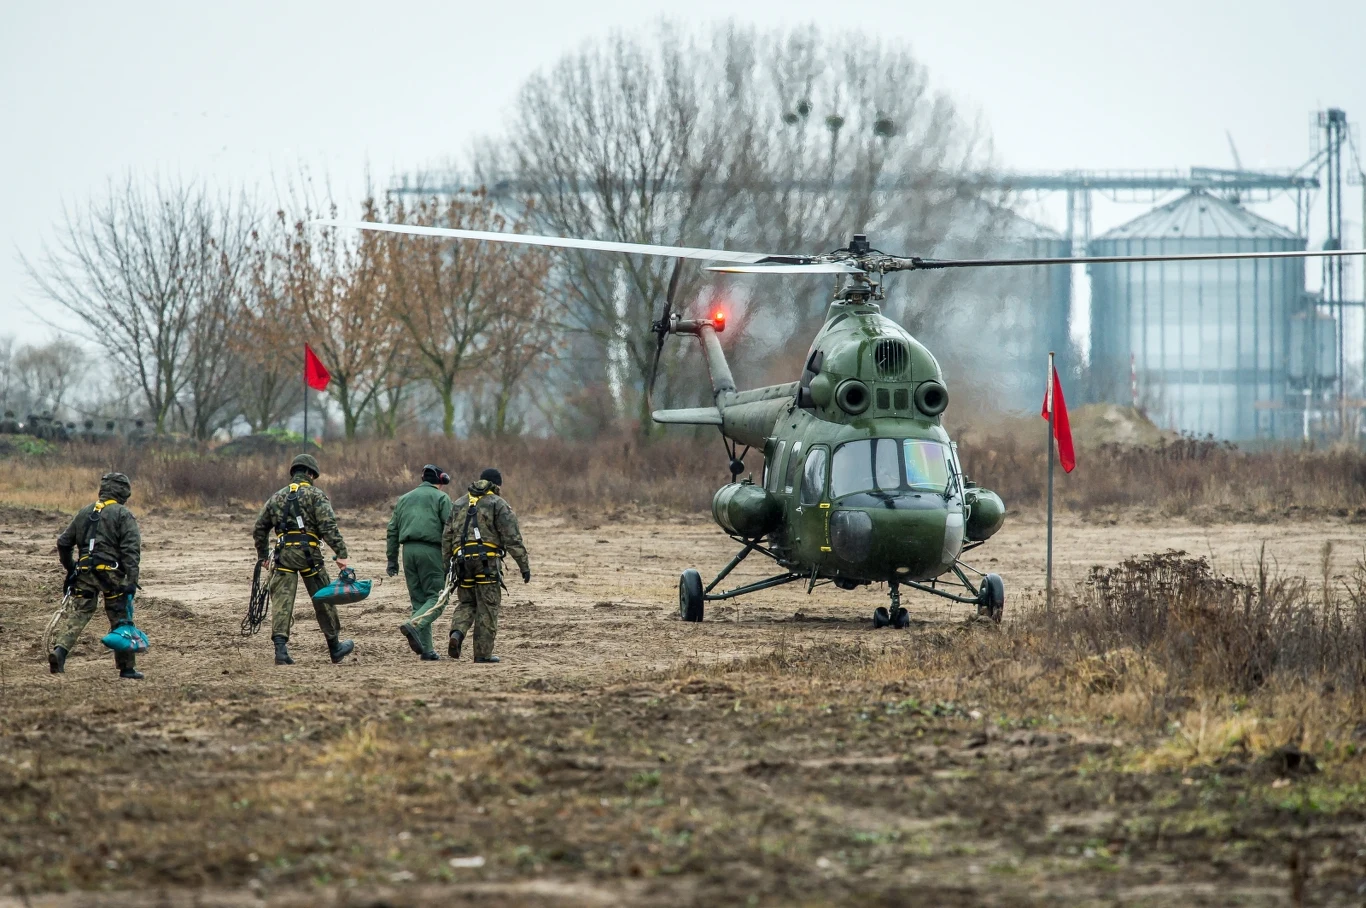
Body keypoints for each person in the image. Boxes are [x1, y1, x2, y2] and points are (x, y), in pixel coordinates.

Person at [402, 468, 530, 664]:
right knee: (487, 607)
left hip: (461, 562)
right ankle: (482, 654)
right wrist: (524, 566)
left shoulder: (460, 502)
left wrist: (447, 565)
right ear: (496, 485)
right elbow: (512, 537)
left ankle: (457, 635)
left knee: (467, 603)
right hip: (486, 563)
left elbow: (447, 536)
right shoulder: (498, 503)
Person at [251, 453, 356, 666]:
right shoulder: (316, 495)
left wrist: (263, 556)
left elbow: (259, 528)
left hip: (283, 557)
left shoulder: (276, 497)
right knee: (324, 597)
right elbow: (328, 526)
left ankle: (281, 651)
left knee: (282, 602)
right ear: (310, 473)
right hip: (310, 557)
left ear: (294, 473)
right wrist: (341, 554)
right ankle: (335, 647)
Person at [51, 472, 144, 679]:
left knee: (79, 613)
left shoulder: (84, 512)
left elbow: (63, 543)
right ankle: (126, 668)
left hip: (85, 573)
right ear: (124, 492)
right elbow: (131, 551)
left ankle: (60, 651)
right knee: (121, 618)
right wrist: (132, 580)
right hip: (112, 577)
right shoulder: (122, 514)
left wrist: (71, 568)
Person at [388, 464, 453, 661]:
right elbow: (451, 529)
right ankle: (413, 625)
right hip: (431, 551)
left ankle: (426, 650)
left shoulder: (404, 499)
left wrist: (392, 560)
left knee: (419, 600)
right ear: (441, 481)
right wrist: (452, 557)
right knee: (437, 598)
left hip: (408, 552)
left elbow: (392, 530)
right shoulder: (442, 498)